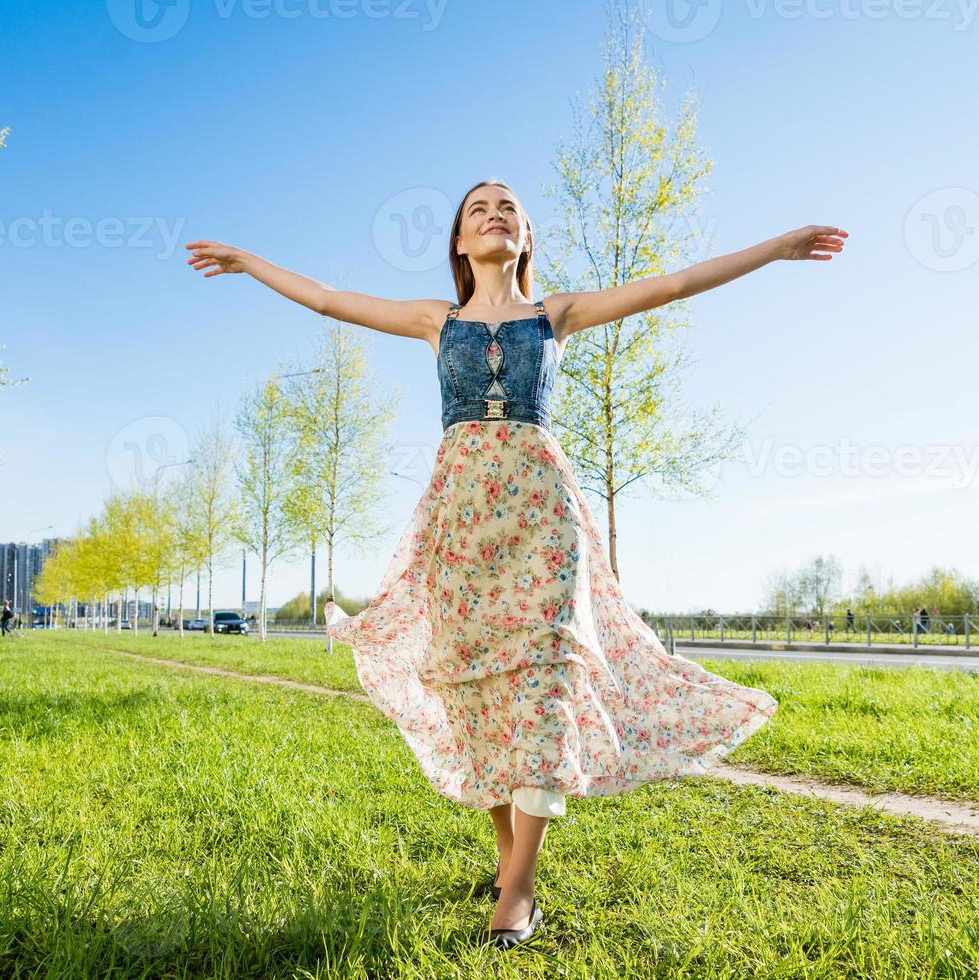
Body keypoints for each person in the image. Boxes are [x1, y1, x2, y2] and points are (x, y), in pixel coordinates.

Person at [186, 180, 846, 950]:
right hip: (462, 520)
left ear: (525, 239)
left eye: (509, 209)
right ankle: (507, 855)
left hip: (542, 517)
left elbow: (672, 285)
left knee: (542, 682)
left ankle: (520, 890)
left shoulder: (553, 315)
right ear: (461, 245)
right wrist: (249, 261)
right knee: (476, 693)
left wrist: (776, 249)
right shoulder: (437, 321)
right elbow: (330, 300)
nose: (495, 215)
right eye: (479, 210)